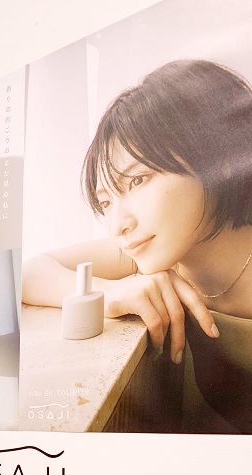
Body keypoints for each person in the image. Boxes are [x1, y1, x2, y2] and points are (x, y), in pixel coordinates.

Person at [22, 59, 252, 433]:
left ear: (221, 159)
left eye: (137, 181)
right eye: (105, 201)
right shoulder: (155, 255)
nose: (118, 225)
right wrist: (110, 294)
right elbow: (30, 272)